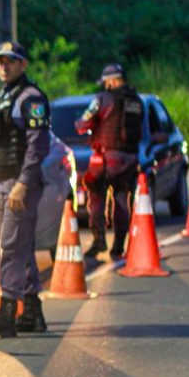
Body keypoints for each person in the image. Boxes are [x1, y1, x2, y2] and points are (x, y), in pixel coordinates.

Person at [0, 41, 51, 337]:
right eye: (0, 61)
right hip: (4, 182)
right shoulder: (5, 97)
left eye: (11, 61)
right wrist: (0, 187)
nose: (4, 66)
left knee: (11, 247)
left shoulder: (31, 98)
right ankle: (31, 312)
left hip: (20, 183)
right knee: (22, 247)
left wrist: (22, 184)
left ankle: (7, 312)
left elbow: (38, 145)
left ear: (23, 64)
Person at [74, 63, 143, 260]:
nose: (105, 86)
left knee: (96, 196)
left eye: (106, 82)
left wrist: (81, 124)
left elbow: (84, 122)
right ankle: (118, 246)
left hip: (105, 157)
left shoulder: (104, 99)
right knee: (122, 200)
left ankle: (99, 241)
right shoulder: (136, 101)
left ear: (112, 81)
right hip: (129, 158)